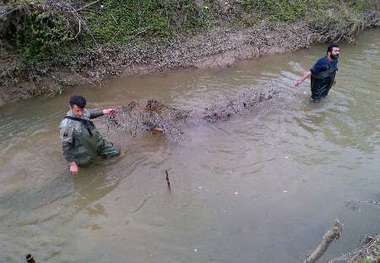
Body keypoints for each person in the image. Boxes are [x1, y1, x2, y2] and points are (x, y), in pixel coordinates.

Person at [59, 95, 120, 175]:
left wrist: (103, 112)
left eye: (82, 110)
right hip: (84, 152)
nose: (80, 113)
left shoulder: (83, 112)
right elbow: (66, 147)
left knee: (116, 153)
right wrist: (72, 164)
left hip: (97, 143)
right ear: (70, 107)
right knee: (91, 171)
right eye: (77, 111)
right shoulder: (66, 125)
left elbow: (90, 114)